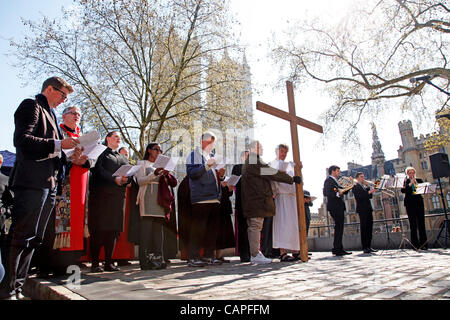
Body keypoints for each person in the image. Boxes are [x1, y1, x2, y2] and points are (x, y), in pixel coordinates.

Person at [0, 77, 82, 300]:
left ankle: (18, 287)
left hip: (50, 182)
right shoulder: (32, 105)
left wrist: (69, 156)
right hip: (31, 181)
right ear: (49, 88)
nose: (63, 100)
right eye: (62, 95)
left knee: (35, 238)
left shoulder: (53, 116)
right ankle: (7, 289)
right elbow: (22, 140)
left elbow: (55, 153)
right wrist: (58, 144)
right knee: (21, 236)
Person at [33, 106, 91, 277]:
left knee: (77, 224)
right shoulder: (58, 133)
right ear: (64, 116)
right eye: (73, 113)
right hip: (62, 184)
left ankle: (70, 262)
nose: (77, 117)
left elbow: (91, 161)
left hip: (80, 183)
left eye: (79, 114)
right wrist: (71, 159)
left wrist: (83, 161)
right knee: (55, 225)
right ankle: (48, 264)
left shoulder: (82, 137)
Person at [241, 140, 302, 264]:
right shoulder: (253, 159)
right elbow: (268, 171)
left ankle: (256, 253)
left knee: (256, 226)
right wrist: (290, 179)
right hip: (256, 199)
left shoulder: (254, 160)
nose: (262, 149)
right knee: (255, 226)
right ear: (254, 148)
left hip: (256, 199)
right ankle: (255, 254)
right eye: (260, 147)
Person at [88, 131, 130, 273]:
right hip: (101, 198)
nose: (119, 139)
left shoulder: (122, 157)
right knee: (98, 230)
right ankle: (95, 263)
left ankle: (108, 262)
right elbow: (97, 170)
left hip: (117, 198)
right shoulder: (100, 152)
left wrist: (126, 179)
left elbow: (128, 174)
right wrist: (114, 179)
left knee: (113, 231)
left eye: (120, 137)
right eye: (116, 136)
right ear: (108, 139)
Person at [133, 143, 177, 270]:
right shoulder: (142, 164)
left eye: (160, 150)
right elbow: (140, 181)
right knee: (146, 233)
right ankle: (145, 261)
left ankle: (158, 260)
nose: (159, 152)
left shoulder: (163, 166)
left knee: (158, 233)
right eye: (156, 149)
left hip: (160, 201)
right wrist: (154, 173)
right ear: (149, 150)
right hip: (147, 200)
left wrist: (166, 174)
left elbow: (173, 183)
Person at [185, 132, 224, 267]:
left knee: (212, 230)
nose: (211, 145)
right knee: (198, 229)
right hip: (201, 198)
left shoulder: (212, 156)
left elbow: (214, 176)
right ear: (202, 141)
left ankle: (208, 256)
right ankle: (193, 257)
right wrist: (207, 165)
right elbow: (192, 173)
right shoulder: (193, 155)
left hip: (214, 198)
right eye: (209, 142)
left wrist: (222, 175)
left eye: (213, 142)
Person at [270, 144, 302, 262]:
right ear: (276, 151)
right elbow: (270, 178)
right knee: (282, 224)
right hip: (281, 197)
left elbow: (297, 179)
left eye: (285, 152)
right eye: (281, 151)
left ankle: (296, 251)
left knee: (293, 225)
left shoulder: (290, 165)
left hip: (292, 197)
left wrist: (299, 169)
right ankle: (282, 252)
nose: (283, 154)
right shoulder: (271, 164)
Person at [323, 165, 352, 256]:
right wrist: (337, 193)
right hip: (334, 206)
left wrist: (350, 185)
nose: (339, 173)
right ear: (333, 171)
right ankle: (337, 248)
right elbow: (327, 193)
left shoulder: (336, 181)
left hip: (339, 206)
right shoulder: (328, 181)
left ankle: (338, 248)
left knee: (340, 228)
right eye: (338, 171)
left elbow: (344, 191)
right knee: (338, 227)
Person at [401, 167, 428, 250]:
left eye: (412, 172)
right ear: (407, 174)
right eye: (409, 173)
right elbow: (403, 191)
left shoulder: (419, 180)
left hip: (419, 203)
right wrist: (410, 184)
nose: (411, 174)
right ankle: (415, 245)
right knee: (413, 225)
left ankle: (424, 244)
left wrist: (415, 184)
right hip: (410, 204)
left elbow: (421, 190)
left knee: (421, 224)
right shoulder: (405, 181)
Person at [231, 151, 251, 263]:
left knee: (253, 229)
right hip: (242, 202)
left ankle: (254, 252)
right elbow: (234, 182)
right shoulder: (237, 167)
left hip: (254, 203)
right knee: (243, 229)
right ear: (242, 157)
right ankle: (244, 254)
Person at [352, 172, 377, 254]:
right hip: (362, 209)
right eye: (361, 177)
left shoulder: (363, 186)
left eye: (363, 176)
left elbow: (369, 196)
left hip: (368, 208)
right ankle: (365, 247)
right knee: (364, 228)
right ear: (357, 178)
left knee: (369, 227)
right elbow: (359, 197)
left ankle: (369, 246)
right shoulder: (355, 186)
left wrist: (368, 187)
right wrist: (369, 192)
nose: (363, 178)